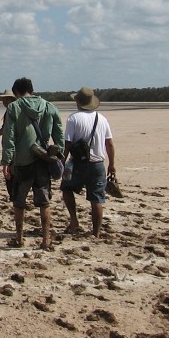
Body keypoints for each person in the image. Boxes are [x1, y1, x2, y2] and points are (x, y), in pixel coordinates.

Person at [0, 77, 64, 251]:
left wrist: (6, 160)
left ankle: (19, 238)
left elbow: (9, 136)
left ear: (17, 92)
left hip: (22, 162)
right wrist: (60, 155)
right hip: (43, 161)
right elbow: (59, 135)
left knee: (19, 202)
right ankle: (46, 240)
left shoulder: (14, 107)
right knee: (44, 202)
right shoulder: (49, 107)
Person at [62, 87, 116, 238]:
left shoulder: (73, 118)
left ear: (78, 102)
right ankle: (96, 232)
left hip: (77, 163)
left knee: (66, 188)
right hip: (98, 164)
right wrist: (112, 164)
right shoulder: (102, 119)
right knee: (96, 199)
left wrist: (62, 162)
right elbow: (109, 144)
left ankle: (74, 221)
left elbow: (67, 143)